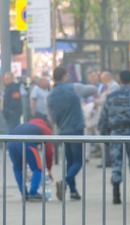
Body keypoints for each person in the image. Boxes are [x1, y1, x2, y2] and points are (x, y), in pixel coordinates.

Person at [97, 70, 130, 204]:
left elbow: (103, 117)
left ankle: (116, 195)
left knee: (117, 163)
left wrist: (104, 134)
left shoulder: (111, 96)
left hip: (115, 134)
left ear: (119, 80)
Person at [46, 66, 97, 201]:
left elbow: (51, 117)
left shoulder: (50, 95)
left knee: (70, 161)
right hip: (76, 129)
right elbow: (93, 89)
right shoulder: (74, 88)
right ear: (64, 76)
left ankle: (73, 191)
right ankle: (66, 181)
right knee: (78, 160)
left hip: (62, 130)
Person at [7, 118, 54, 200]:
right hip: (26, 143)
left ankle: (24, 194)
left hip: (10, 142)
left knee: (17, 169)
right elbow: (49, 152)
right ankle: (33, 193)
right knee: (37, 168)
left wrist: (24, 167)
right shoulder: (46, 130)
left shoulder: (27, 124)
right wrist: (49, 169)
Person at [94, 71, 120, 168]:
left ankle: (109, 160)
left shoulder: (113, 87)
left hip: (109, 117)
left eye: (102, 80)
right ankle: (107, 159)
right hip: (106, 116)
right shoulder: (109, 87)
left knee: (106, 139)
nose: (102, 82)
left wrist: (96, 101)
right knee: (105, 139)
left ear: (106, 78)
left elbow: (106, 100)